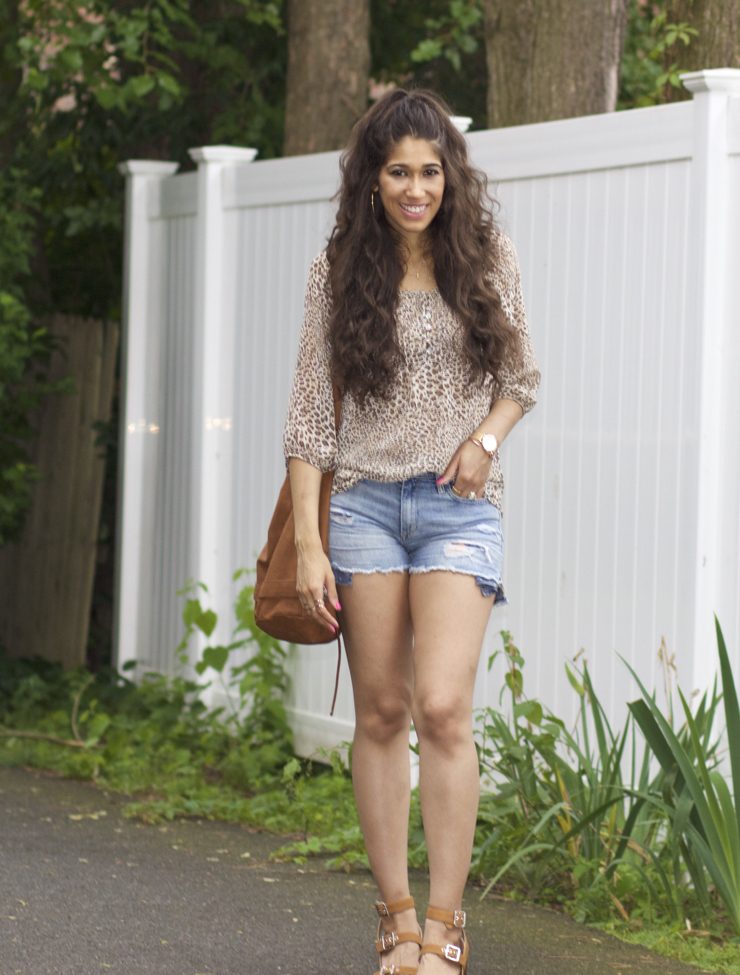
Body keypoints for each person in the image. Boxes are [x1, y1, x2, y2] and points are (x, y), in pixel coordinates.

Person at [282, 88, 540, 975]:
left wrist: (484, 440)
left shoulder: (485, 254)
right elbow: (312, 415)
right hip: (359, 507)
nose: (416, 187)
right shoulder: (337, 268)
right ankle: (395, 917)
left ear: (450, 176)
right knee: (382, 710)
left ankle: (446, 925)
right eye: (398, 171)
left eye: (430, 171)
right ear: (372, 179)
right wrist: (311, 544)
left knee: (441, 708)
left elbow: (522, 377)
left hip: (456, 509)